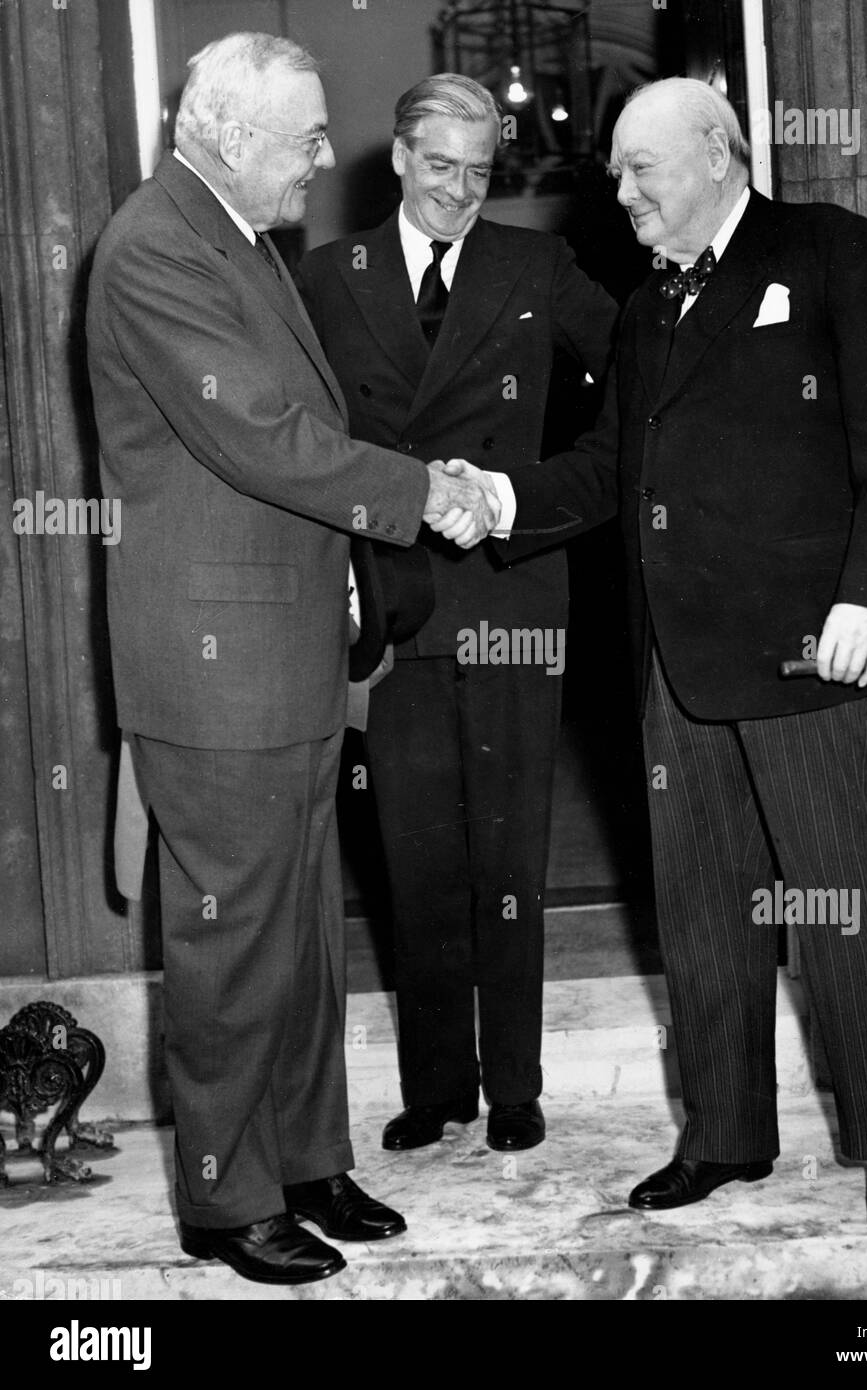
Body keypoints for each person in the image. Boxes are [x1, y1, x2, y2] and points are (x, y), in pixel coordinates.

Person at [465, 76, 867, 1233]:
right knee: (700, 918)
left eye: (642, 169)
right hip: (672, 671)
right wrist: (495, 494)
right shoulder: (644, 309)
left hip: (810, 658)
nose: (620, 192)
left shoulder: (829, 250)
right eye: (616, 173)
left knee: (846, 907)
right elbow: (600, 471)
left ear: (721, 155)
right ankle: (725, 1136)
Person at [86, 32, 494, 1286]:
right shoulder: (154, 246)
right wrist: (426, 491)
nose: (327, 161)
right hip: (216, 670)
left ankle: (308, 1161)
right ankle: (224, 1199)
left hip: (288, 653)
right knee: (232, 944)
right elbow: (263, 439)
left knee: (305, 936)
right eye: (308, 138)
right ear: (223, 131)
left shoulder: (238, 239)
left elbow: (304, 425)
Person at [295, 75, 618, 1155]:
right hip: (390, 599)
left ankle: (517, 1081)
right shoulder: (325, 280)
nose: (459, 193)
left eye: (481, 174)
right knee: (413, 847)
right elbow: (293, 439)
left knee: (511, 848)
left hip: (513, 591)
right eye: (439, 168)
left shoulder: (537, 267)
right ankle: (437, 1082)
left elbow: (640, 373)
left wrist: (550, 492)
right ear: (395, 156)